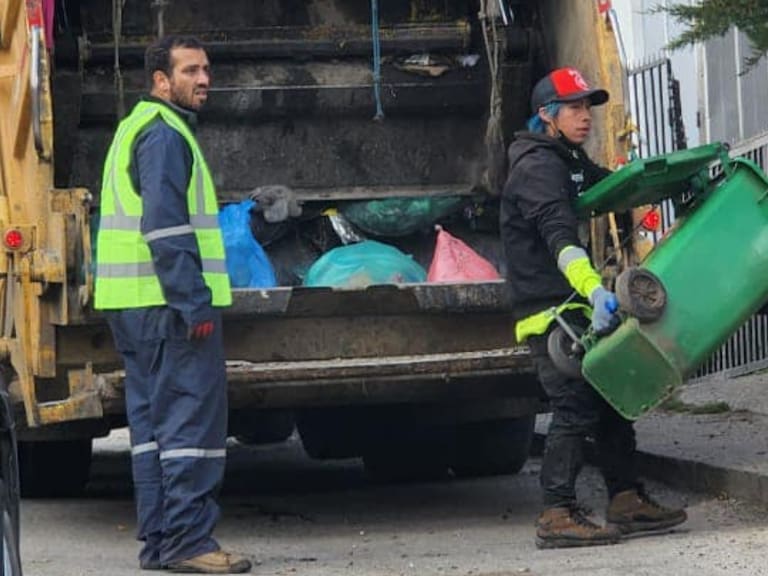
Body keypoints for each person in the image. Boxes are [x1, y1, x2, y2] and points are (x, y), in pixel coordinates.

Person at [500, 67, 688, 549]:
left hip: (571, 304)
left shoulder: (567, 158)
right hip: (550, 312)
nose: (586, 117)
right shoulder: (537, 168)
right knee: (575, 407)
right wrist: (594, 291)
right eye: (574, 108)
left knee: (609, 400)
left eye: (589, 107)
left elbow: (616, 187)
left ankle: (626, 498)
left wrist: (671, 183)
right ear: (547, 115)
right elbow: (559, 238)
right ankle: (556, 512)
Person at [94, 35, 251, 573]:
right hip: (167, 308)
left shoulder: (136, 128)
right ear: (161, 81)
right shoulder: (163, 136)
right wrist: (194, 305)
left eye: (206, 69)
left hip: (133, 306)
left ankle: (161, 541)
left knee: (152, 432)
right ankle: (189, 541)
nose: (204, 79)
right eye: (190, 71)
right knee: (190, 426)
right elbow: (166, 229)